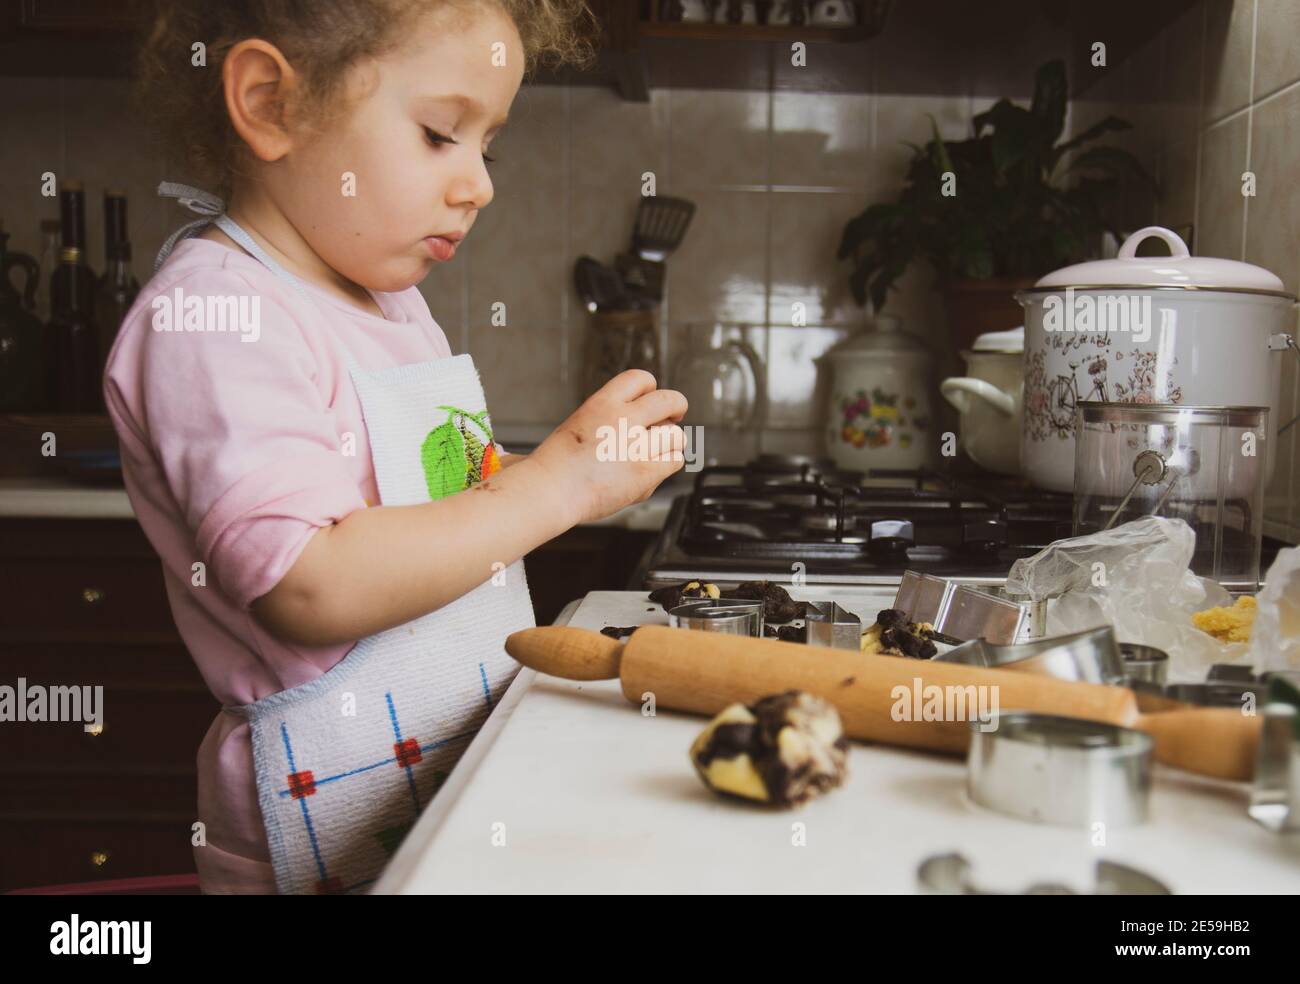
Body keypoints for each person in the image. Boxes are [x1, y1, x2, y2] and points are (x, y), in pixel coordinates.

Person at [103, 0, 687, 894]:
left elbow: (439, 518)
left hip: (436, 772)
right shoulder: (217, 317)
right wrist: (554, 491)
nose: (480, 185)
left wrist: (570, 470)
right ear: (270, 103)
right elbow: (309, 581)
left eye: (486, 147)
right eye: (438, 134)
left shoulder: (385, 303)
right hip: (327, 817)